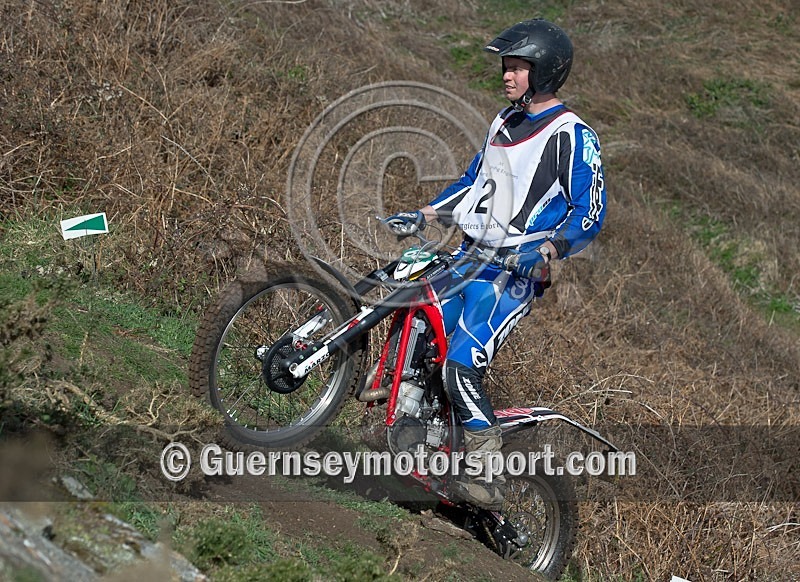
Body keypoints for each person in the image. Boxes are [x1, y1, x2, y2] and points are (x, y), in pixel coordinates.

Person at [386, 18, 606, 509]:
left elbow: (589, 212)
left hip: (511, 275)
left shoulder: (574, 135)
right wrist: (424, 213)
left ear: (545, 71)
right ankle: (407, 440)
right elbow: (473, 183)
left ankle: (486, 474)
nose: (507, 75)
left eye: (518, 67)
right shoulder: (503, 122)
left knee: (460, 366)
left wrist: (547, 251)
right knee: (417, 330)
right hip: (467, 254)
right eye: (505, 66)